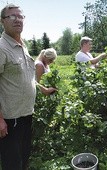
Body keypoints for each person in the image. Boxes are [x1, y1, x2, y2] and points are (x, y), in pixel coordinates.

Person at [0, 4, 56, 170]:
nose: (17, 19)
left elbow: (26, 77)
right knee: (12, 163)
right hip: (10, 118)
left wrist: (41, 88)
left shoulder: (22, 47)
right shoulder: (2, 48)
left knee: (24, 159)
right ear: (3, 21)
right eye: (12, 16)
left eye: (20, 16)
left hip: (26, 114)